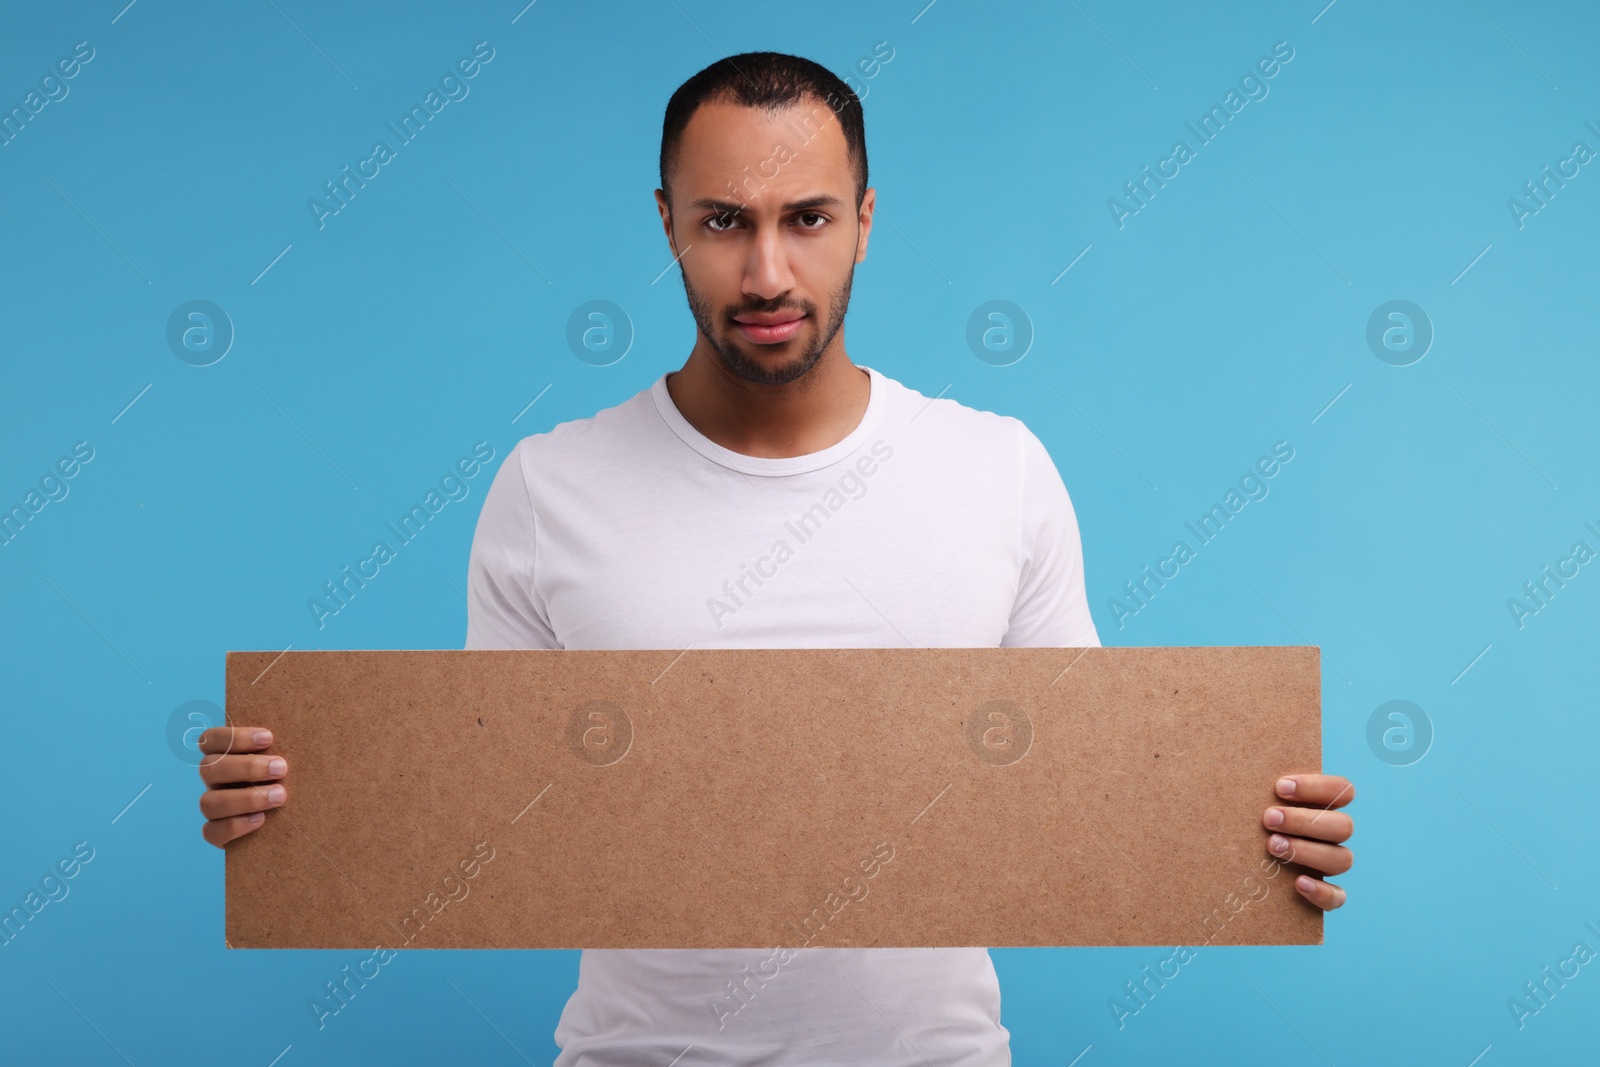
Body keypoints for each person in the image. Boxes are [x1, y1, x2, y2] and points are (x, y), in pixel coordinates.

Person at [198, 51, 1355, 1064]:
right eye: (722, 221)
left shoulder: (995, 469)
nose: (764, 275)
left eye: (805, 218)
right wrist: (300, 806)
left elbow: (1086, 786)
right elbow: (487, 809)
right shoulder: (548, 486)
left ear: (864, 216)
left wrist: (1254, 829)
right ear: (664, 223)